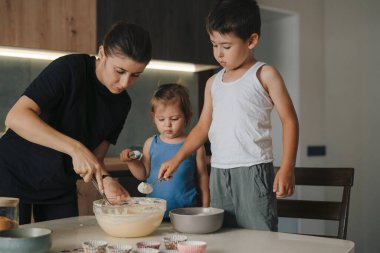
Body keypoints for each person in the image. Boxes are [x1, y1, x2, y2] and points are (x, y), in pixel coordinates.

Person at [158, 0, 299, 231]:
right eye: (214, 45)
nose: (218, 54)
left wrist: (287, 167)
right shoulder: (213, 83)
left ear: (251, 40)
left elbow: (289, 120)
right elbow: (203, 127)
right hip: (219, 172)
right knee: (224, 235)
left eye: (226, 46)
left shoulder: (265, 74)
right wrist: (177, 158)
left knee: (259, 240)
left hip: (254, 171)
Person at [0, 21, 152, 224]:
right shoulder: (70, 69)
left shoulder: (122, 103)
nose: (125, 83)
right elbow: (16, 117)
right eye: (119, 71)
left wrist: (106, 181)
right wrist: (75, 148)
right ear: (102, 53)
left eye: (135, 75)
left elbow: (95, 158)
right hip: (12, 175)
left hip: (59, 187)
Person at [120, 83, 210, 218]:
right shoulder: (150, 144)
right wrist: (130, 162)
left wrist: (205, 207)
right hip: (154, 213)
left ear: (188, 116)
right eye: (161, 119)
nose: (167, 124)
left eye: (174, 119)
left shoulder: (195, 146)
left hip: (186, 213)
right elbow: (143, 175)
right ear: (153, 117)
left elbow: (202, 177)